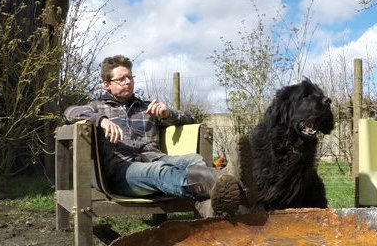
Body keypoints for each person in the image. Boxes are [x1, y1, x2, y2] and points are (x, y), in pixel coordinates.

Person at [63, 55, 256, 217]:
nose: (128, 82)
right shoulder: (97, 107)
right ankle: (232, 183)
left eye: (130, 77)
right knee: (159, 172)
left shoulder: (147, 108)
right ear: (107, 84)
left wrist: (168, 114)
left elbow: (189, 119)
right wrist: (101, 120)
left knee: (195, 159)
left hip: (158, 160)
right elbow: (69, 112)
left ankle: (210, 205)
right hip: (123, 172)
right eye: (121, 79)